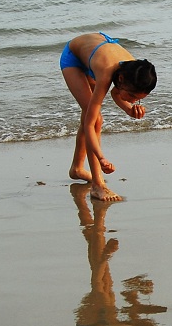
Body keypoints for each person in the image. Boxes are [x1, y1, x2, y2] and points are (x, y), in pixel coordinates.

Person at [59, 31, 157, 201]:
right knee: (95, 119)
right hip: (74, 58)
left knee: (90, 113)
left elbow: (116, 92)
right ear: (121, 79)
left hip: (93, 54)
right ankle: (97, 186)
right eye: (133, 98)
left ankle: (77, 168)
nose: (134, 101)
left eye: (138, 100)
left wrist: (128, 109)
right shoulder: (107, 73)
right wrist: (101, 158)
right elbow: (90, 125)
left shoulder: (133, 71)